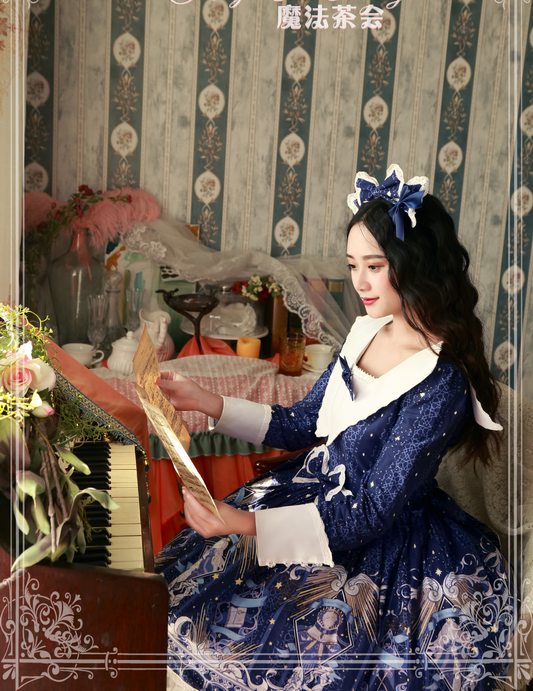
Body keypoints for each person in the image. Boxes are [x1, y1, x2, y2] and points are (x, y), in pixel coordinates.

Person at [155, 165, 515, 691]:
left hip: (381, 543)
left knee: (274, 657)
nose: (360, 283)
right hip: (314, 500)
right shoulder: (366, 331)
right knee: (177, 604)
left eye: (375, 266)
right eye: (353, 266)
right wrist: (208, 402)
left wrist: (244, 524)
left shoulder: (442, 382)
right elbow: (304, 422)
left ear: (415, 265)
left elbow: (369, 513)